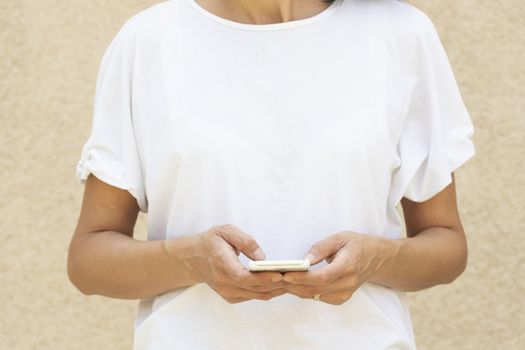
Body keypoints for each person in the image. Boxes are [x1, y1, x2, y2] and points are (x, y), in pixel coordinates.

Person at [67, 0, 476, 348]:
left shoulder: (403, 35)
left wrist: (376, 260)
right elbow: (89, 259)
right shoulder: (148, 41)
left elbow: (446, 246)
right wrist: (191, 261)